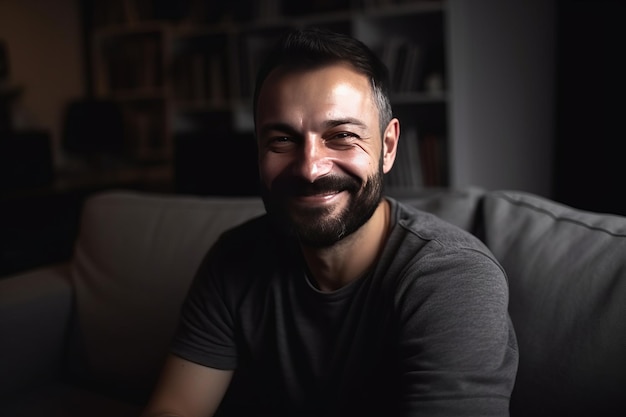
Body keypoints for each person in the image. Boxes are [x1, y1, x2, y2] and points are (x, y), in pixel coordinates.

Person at [141, 27, 518, 417]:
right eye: (282, 141)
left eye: (341, 135)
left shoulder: (453, 277)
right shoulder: (233, 259)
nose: (309, 168)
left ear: (387, 147)